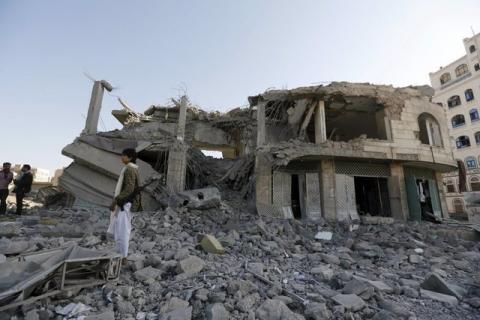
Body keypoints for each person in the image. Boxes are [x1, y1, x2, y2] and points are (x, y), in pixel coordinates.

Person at [109, 148, 142, 262]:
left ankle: (123, 257)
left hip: (125, 204)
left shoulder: (129, 169)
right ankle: (121, 255)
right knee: (120, 229)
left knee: (122, 231)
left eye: (124, 155)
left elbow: (129, 188)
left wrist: (115, 200)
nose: (121, 157)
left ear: (130, 158)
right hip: (125, 203)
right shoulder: (131, 169)